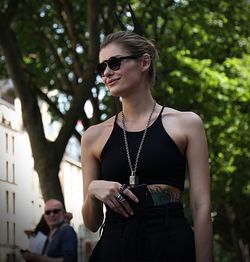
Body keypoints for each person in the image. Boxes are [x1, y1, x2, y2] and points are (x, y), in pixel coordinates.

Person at [81, 31, 213, 261]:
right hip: (115, 249)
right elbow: (92, 224)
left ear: (144, 62)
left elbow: (201, 206)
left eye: (114, 62)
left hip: (170, 246)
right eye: (101, 67)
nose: (107, 73)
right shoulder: (93, 136)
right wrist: (93, 190)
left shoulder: (187, 123)